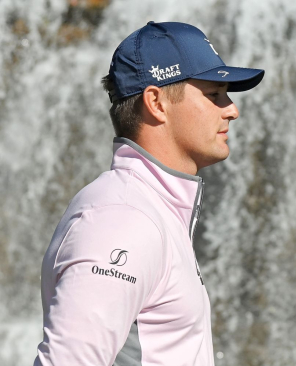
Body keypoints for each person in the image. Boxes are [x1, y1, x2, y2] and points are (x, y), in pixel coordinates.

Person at [35, 21, 264, 365]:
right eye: (214, 94)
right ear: (156, 102)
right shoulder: (123, 218)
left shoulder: (146, 209)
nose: (232, 109)